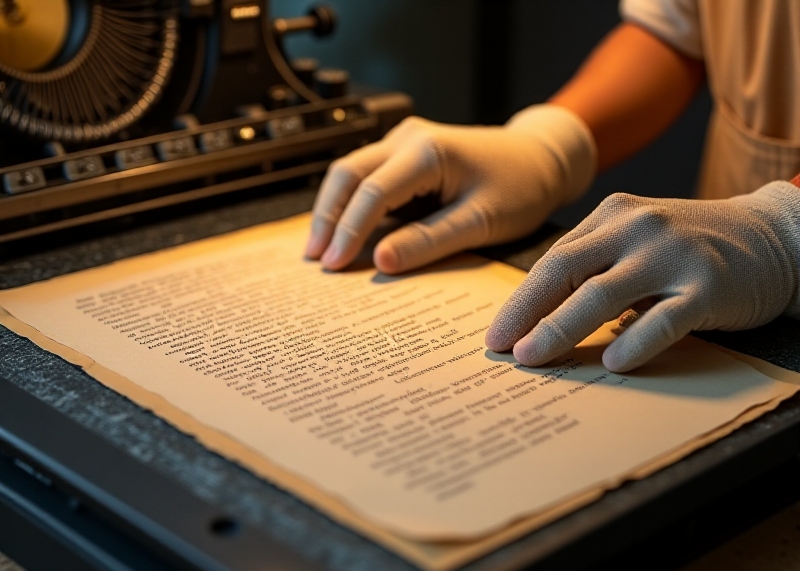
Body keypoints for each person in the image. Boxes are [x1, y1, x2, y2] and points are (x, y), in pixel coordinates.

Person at [304, 0, 800, 372]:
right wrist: (552, 145)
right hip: (718, 296)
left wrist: (784, 231)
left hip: (752, 263)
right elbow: (678, 28)